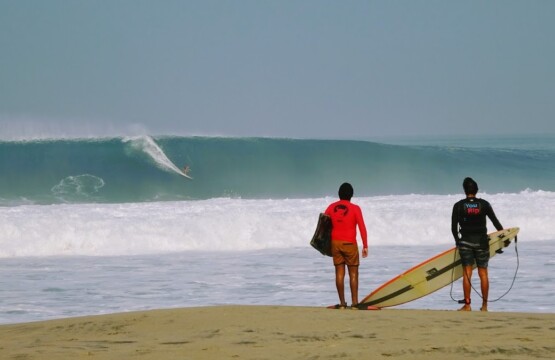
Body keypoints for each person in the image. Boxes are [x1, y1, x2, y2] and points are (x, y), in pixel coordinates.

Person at [451, 177, 503, 312]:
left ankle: (467, 305)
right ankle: (485, 306)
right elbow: (496, 222)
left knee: (467, 273)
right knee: (483, 273)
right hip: (481, 242)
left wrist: (458, 241)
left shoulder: (458, 206)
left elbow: (453, 227)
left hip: (465, 243)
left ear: (464, 190)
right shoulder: (484, 204)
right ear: (477, 190)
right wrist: (502, 239)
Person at [325, 182, 368, 309]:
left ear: (339, 194)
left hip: (335, 243)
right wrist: (365, 245)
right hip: (349, 243)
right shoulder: (355, 208)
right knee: (353, 273)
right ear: (351, 195)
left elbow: (323, 224)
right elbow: (362, 228)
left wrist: (324, 244)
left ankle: (343, 303)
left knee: (339, 273)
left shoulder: (331, 207)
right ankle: (355, 303)